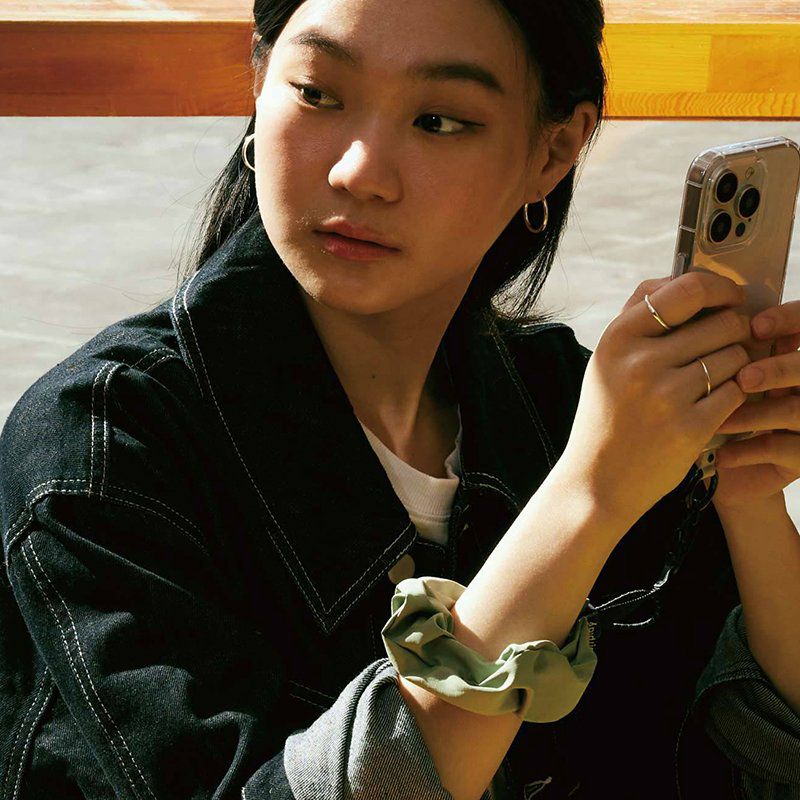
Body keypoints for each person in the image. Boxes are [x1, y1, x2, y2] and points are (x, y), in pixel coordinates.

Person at [1, 0, 798, 798]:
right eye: (317, 94)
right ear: (260, 79)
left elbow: (741, 762)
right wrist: (586, 501)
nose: (359, 172)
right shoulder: (103, 443)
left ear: (552, 151)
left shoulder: (567, 404)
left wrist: (749, 500)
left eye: (439, 121)